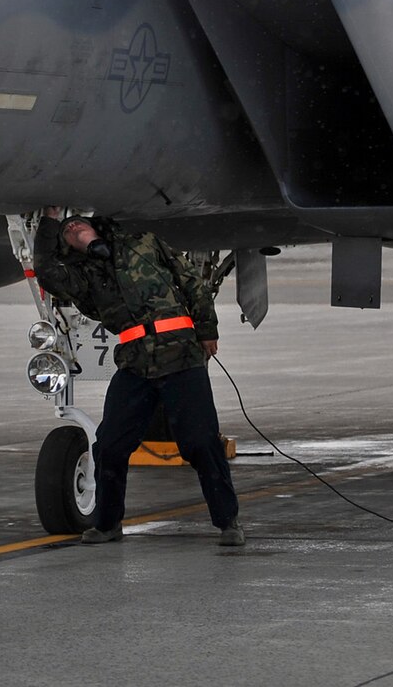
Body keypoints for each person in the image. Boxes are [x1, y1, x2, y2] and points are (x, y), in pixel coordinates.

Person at [32, 207, 244, 547]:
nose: (73, 229)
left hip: (181, 356)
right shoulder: (85, 277)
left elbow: (190, 281)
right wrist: (50, 222)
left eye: (77, 224)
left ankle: (228, 522)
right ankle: (107, 524)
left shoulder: (143, 243)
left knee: (200, 443)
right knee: (110, 445)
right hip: (136, 364)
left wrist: (207, 329)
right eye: (67, 233)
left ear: (94, 225)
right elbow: (46, 272)